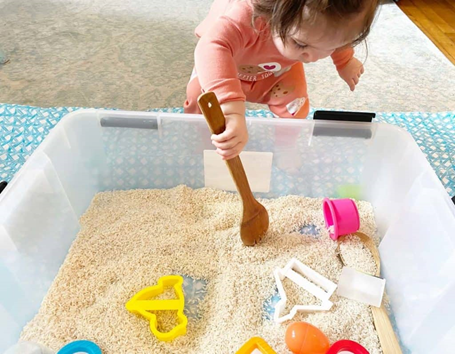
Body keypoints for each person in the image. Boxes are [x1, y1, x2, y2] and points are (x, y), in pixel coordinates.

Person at [184, 0, 380, 160]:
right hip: (221, 67)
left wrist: (345, 60)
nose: (311, 58)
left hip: (276, 73)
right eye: (300, 43)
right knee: (198, 101)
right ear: (273, 10)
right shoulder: (247, 15)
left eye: (331, 47)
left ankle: (286, 147)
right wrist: (230, 109)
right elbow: (211, 46)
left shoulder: (323, 31)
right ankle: (205, 142)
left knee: (295, 107)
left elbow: (333, 35)